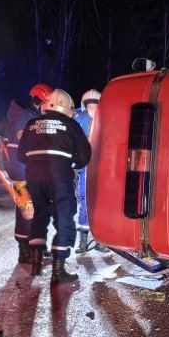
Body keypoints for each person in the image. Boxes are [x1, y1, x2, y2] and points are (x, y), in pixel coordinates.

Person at [18, 88, 91, 285]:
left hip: (33, 177)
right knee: (64, 218)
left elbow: (20, 156)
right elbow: (84, 156)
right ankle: (59, 272)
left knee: (40, 215)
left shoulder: (31, 124)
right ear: (67, 107)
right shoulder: (71, 124)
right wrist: (71, 164)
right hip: (59, 178)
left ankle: (35, 262)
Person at [0, 83, 52, 264]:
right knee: (27, 211)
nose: (48, 107)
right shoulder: (23, 120)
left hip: (25, 173)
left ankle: (32, 248)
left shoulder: (25, 116)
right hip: (24, 174)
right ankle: (25, 251)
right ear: (39, 101)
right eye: (47, 103)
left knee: (31, 210)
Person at [73, 88, 101, 253]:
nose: (92, 108)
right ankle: (84, 241)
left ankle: (100, 239)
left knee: (97, 202)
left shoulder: (80, 120)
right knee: (86, 202)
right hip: (88, 168)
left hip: (99, 167)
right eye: (90, 105)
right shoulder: (79, 120)